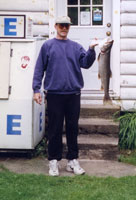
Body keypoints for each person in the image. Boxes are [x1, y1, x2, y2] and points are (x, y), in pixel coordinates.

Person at [32, 16, 98, 176]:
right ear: (55, 26)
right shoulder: (47, 46)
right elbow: (39, 68)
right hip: (54, 94)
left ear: (69, 27)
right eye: (61, 25)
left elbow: (86, 63)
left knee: (72, 128)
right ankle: (53, 161)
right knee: (54, 129)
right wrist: (36, 89)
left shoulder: (76, 47)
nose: (64, 28)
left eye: (67, 26)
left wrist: (91, 49)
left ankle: (72, 161)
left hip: (73, 94)